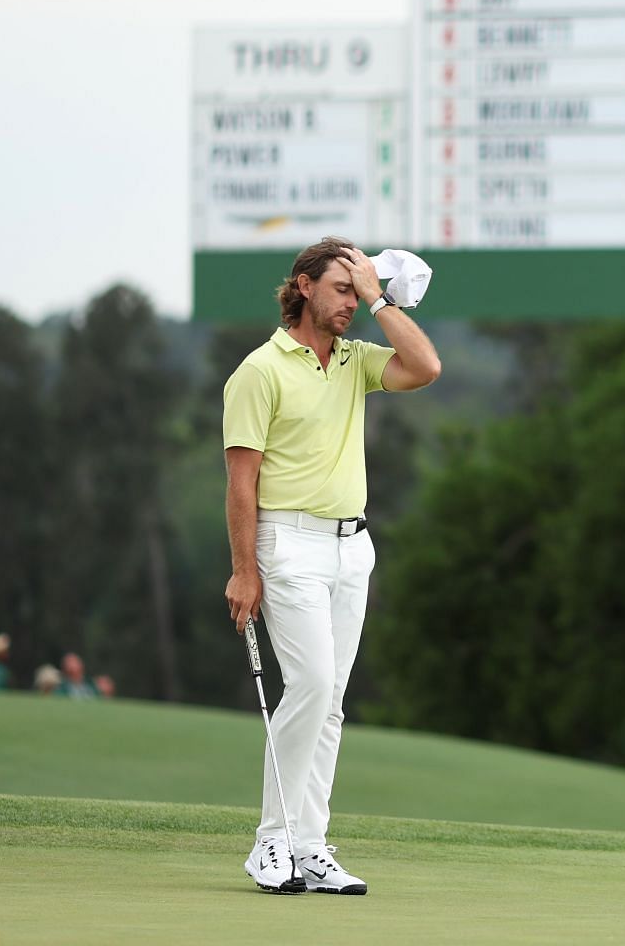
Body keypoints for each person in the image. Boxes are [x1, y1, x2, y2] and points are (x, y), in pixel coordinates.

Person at [222, 237, 440, 895]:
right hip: (286, 545)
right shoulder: (259, 371)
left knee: (333, 702)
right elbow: (240, 482)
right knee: (313, 684)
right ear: (305, 285)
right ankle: (271, 843)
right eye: (343, 290)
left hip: (353, 549)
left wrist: (377, 294)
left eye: (359, 293)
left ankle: (311, 847)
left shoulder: (354, 361)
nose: (352, 303)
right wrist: (243, 569)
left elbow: (426, 365)